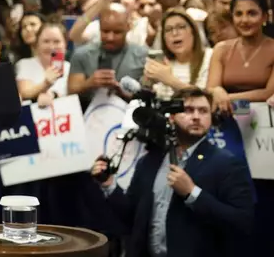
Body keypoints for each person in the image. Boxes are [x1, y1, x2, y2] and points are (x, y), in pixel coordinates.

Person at [91, 88, 254, 257]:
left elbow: (242, 222)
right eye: (188, 110)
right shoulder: (149, 162)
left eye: (204, 111)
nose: (196, 116)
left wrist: (193, 193)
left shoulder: (227, 163)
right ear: (172, 116)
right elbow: (131, 217)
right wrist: (109, 183)